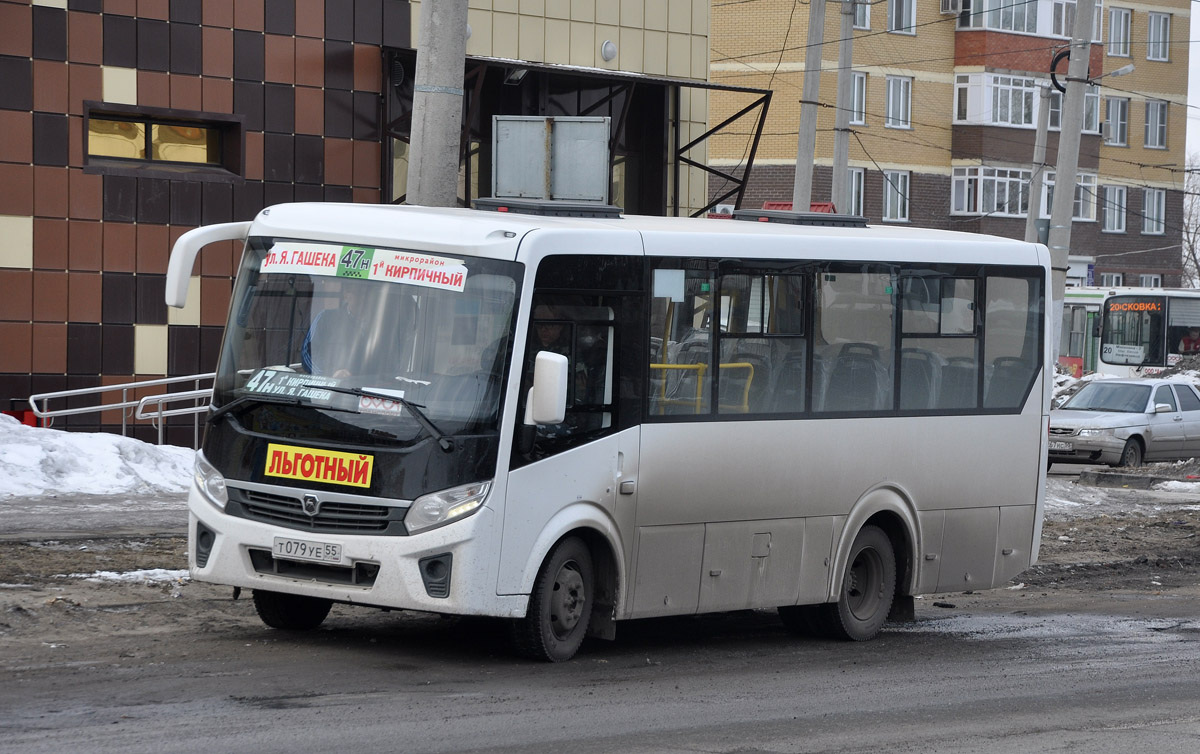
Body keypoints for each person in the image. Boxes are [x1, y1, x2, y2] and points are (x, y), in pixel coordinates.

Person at [301, 281, 368, 377]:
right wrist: (329, 373)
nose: (364, 298)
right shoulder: (326, 318)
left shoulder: (384, 325)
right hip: (331, 386)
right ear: (346, 295)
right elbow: (307, 352)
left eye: (367, 294)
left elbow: (393, 362)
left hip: (371, 388)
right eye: (359, 293)